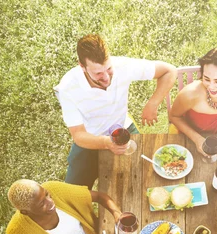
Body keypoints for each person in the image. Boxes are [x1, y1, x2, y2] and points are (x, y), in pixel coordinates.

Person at [54, 33, 177, 188]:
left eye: (108, 69)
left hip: (122, 129)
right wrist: (106, 143)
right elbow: (78, 135)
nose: (106, 78)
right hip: (90, 139)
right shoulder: (67, 88)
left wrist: (153, 103)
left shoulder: (122, 66)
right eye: (98, 73)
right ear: (82, 66)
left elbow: (169, 71)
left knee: (149, 175)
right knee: (72, 194)